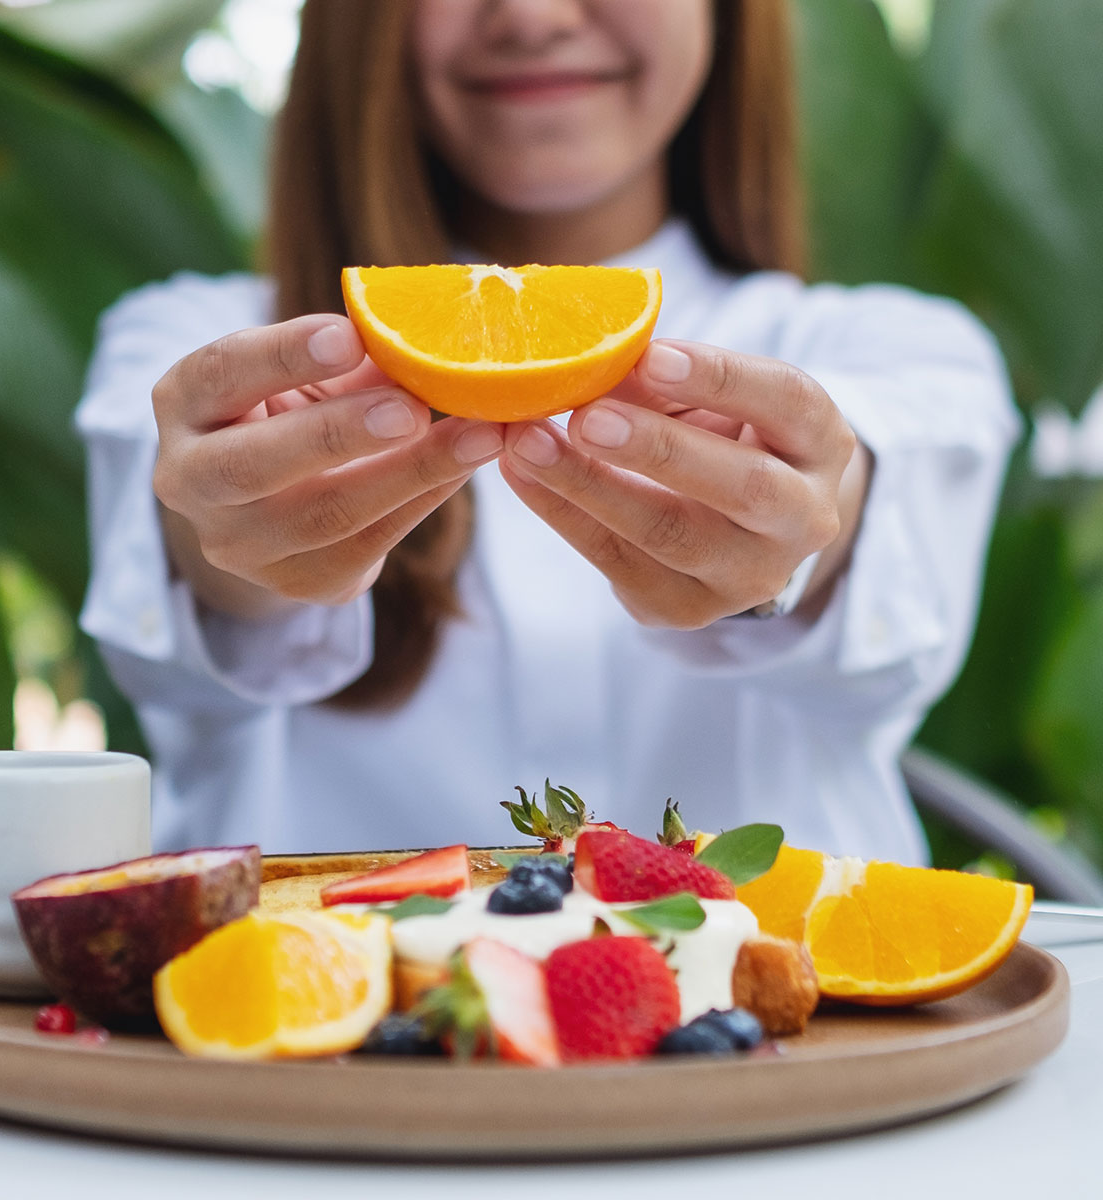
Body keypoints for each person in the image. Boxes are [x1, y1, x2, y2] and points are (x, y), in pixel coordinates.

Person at [75, 0, 1019, 861]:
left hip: (784, 1031)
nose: (532, 16)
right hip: (317, 1024)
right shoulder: (202, 351)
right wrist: (241, 529)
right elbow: (182, 566)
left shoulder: (897, 352)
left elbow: (872, 515)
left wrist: (787, 525)